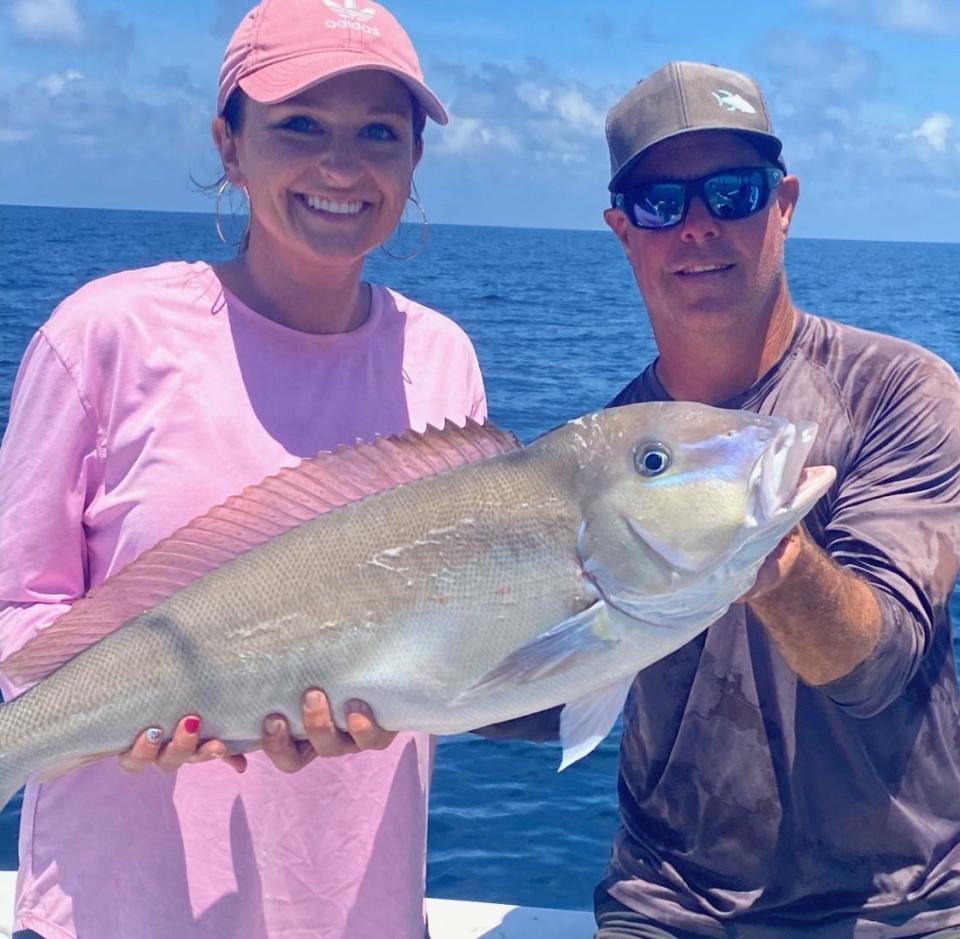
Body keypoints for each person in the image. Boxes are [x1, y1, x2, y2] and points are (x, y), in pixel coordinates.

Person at [0, 1, 486, 937]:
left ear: (412, 163)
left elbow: (455, 618)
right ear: (230, 145)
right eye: (299, 125)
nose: (341, 166)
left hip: (362, 911)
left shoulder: (444, 359)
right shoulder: (106, 335)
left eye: (378, 134)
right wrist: (128, 700)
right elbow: (19, 602)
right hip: (118, 910)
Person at [592, 60, 960, 938]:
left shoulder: (900, 392)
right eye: (660, 204)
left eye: (733, 191)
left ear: (783, 203)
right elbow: (543, 686)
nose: (697, 227)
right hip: (667, 901)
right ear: (623, 230)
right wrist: (376, 690)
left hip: (900, 906)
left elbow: (878, 668)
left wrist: (770, 557)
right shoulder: (604, 450)